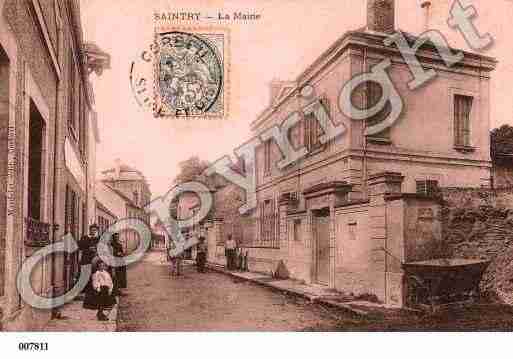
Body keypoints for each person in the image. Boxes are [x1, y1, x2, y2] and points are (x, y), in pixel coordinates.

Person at [80, 224, 101, 309]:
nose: (93, 231)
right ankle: (86, 293)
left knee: (94, 276)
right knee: (85, 276)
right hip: (86, 259)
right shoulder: (85, 238)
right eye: (92, 230)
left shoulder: (98, 239)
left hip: (94, 260)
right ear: (89, 230)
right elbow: (80, 247)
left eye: (95, 230)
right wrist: (88, 249)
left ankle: (94, 294)